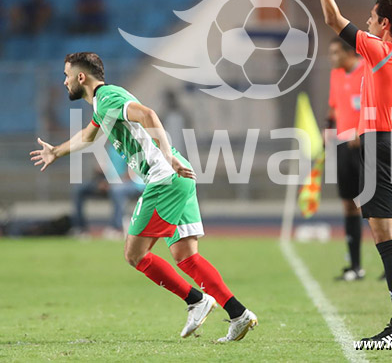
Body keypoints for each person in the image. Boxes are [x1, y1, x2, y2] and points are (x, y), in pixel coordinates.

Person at [30, 52, 257, 342]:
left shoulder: (108, 98)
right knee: (186, 257)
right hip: (178, 178)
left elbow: (148, 114)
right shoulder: (103, 105)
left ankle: (196, 301)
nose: (65, 81)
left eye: (67, 75)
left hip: (164, 180)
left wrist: (164, 153)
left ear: (81, 77)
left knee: (134, 254)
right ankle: (238, 314)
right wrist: (56, 151)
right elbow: (88, 137)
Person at [303, 0, 392, 343]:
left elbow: (333, 18)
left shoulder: (379, 51)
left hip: (379, 148)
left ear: (384, 25)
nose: (369, 23)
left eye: (373, 18)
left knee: (386, 238)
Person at [327, 37, 364, 281]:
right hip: (342, 145)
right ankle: (355, 266)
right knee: (349, 204)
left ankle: (390, 263)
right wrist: (327, 129)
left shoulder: (367, 72)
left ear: (349, 52)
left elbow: (375, 106)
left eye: (335, 52)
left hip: (365, 146)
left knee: (374, 206)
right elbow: (334, 108)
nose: (333, 57)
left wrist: (361, 131)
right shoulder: (336, 74)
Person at [72, 143, 145, 236]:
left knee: (117, 190)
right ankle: (80, 229)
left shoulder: (131, 148)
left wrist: (112, 182)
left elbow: (131, 174)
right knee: (79, 189)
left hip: (130, 184)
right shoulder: (108, 147)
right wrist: (100, 179)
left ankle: (116, 227)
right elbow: (102, 169)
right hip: (108, 183)